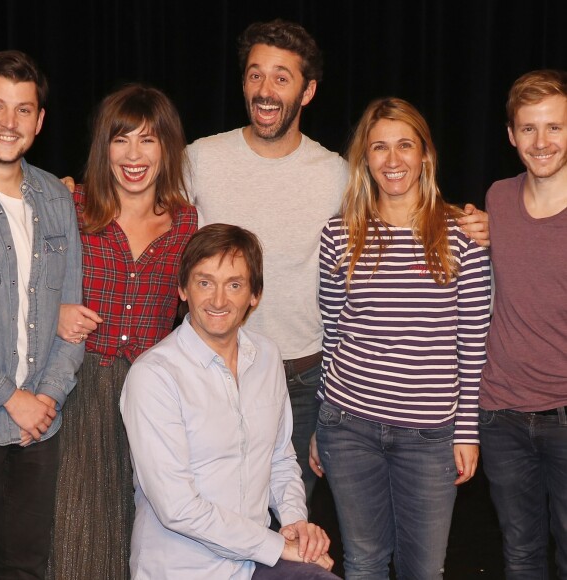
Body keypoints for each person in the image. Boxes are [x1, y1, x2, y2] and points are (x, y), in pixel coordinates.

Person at [184, 18, 490, 504]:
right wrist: (74, 193)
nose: (266, 90)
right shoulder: (199, 159)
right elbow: (141, 207)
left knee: (290, 518)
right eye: (255, 74)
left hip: (304, 377)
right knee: (211, 510)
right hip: (215, 370)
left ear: (307, 93)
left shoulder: (335, 175)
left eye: (282, 78)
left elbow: (398, 206)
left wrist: (463, 219)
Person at [310, 98, 491, 579]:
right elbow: (333, 331)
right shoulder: (338, 234)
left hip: (430, 435)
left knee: (423, 570)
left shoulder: (462, 236)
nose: (393, 160)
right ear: (365, 159)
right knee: (365, 562)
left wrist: (467, 431)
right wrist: (320, 420)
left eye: (405, 145)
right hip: (348, 427)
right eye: (380, 147)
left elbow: (473, 343)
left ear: (425, 155)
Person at [120, 223, 338, 579]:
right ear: (183, 289)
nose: (218, 300)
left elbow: (280, 460)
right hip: (183, 569)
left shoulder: (267, 357)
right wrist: (279, 547)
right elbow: (178, 508)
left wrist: (296, 523)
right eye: (205, 282)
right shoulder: (154, 375)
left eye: (234, 285)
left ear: (255, 295)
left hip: (252, 564)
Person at [47, 85, 197, 580]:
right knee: (75, 529)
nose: (134, 155)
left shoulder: (186, 222)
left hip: (152, 395)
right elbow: (18, 289)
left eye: (148, 140)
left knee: (144, 532)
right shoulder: (70, 205)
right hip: (79, 387)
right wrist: (55, 311)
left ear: (167, 148)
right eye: (121, 140)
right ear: (102, 147)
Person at [0, 50, 84, 579]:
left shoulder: (56, 198)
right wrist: (11, 398)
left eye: (23, 110)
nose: (8, 123)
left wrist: (45, 398)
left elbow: (73, 314)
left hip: (38, 430)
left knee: (23, 566)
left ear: (40, 121)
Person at [478, 69, 567, 578]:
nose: (541, 142)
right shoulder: (498, 199)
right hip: (502, 415)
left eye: (554, 127)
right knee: (520, 554)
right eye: (529, 129)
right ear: (512, 135)